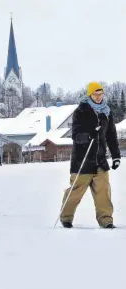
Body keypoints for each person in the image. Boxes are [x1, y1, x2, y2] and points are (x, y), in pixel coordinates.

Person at [60, 82, 121, 229]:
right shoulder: (81, 111)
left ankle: (106, 220)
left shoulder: (106, 112)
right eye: (95, 94)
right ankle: (66, 217)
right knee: (75, 192)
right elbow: (75, 135)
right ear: (90, 94)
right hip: (83, 160)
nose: (99, 97)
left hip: (100, 160)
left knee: (104, 192)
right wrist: (89, 135)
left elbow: (111, 135)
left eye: (101, 94)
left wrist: (116, 156)